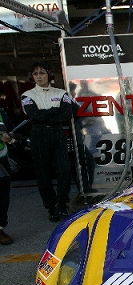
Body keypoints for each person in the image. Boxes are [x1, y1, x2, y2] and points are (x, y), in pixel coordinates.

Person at [21, 61, 77, 222]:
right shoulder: (27, 95)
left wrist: (46, 114)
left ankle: (62, 204)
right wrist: (55, 111)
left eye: (42, 73)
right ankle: (51, 207)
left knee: (64, 170)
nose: (39, 76)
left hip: (57, 133)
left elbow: (67, 114)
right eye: (35, 73)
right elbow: (34, 115)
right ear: (32, 77)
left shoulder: (61, 93)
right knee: (43, 173)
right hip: (39, 134)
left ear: (49, 75)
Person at [0, 106, 18, 244]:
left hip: (1, 159)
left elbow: (14, 132)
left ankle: (0, 228)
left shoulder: (1, 112)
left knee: (3, 195)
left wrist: (10, 137)